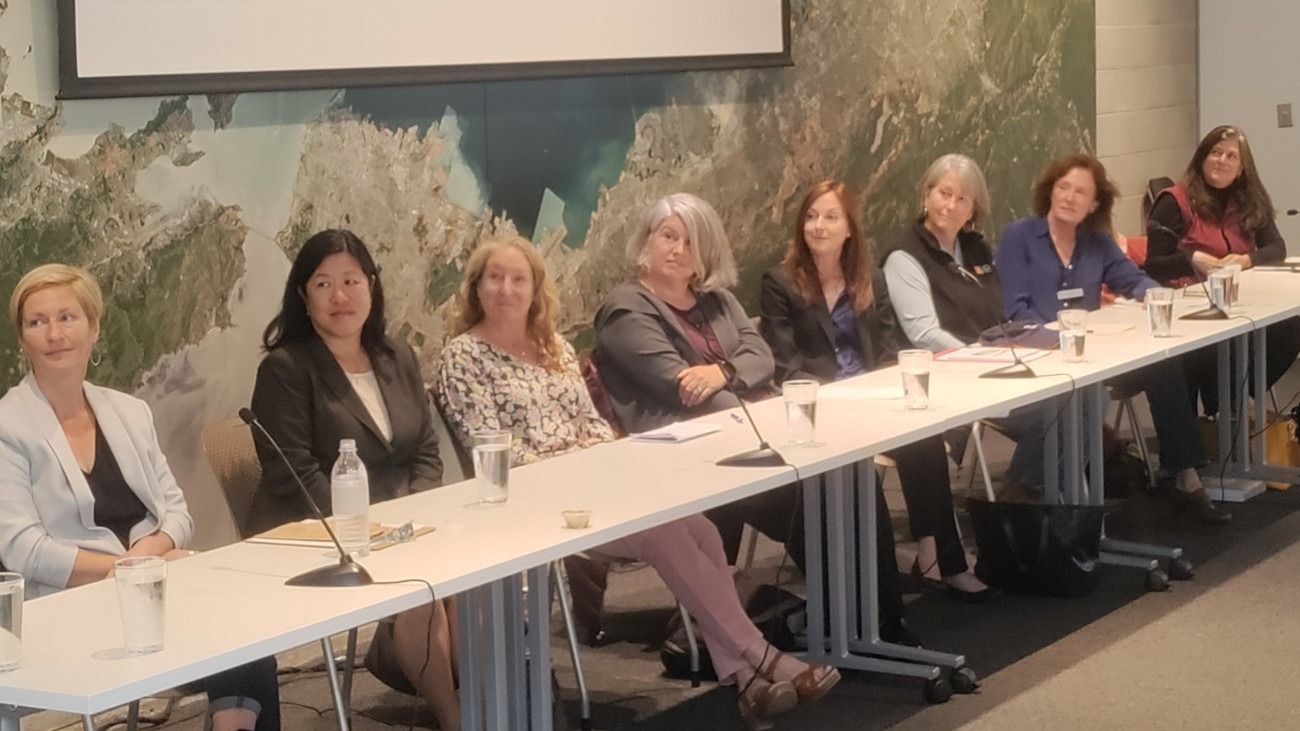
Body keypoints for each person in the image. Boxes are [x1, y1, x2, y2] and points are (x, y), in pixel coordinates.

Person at [436, 235, 839, 731]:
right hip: (533, 499)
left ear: (536, 289)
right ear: (476, 288)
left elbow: (592, 425)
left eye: (519, 278)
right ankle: (763, 657)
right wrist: (574, 472)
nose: (506, 289)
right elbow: (487, 447)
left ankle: (748, 681)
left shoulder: (554, 347)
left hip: (596, 484)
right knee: (664, 530)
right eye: (493, 277)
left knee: (702, 531)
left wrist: (605, 466)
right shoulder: (463, 356)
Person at [593, 193, 920, 645]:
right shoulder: (626, 309)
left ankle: (882, 621)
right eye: (668, 236)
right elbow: (683, 390)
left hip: (744, 442)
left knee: (854, 477)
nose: (678, 250)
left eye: (692, 242)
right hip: (687, 457)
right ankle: (850, 625)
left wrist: (723, 372)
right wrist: (748, 400)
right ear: (646, 241)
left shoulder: (716, 299)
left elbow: (760, 356)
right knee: (813, 495)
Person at [0, 264, 280, 731]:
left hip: (150, 593)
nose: (54, 333)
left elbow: (177, 513)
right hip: (67, 607)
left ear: (94, 329)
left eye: (67, 317)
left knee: (246, 636)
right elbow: (22, 548)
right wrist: (128, 572)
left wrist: (149, 555)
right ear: (23, 340)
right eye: (37, 322)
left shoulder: (129, 412)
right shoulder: (9, 426)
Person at [248, 230, 458, 729]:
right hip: (318, 537)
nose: (340, 296)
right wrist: (376, 533)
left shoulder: (397, 357)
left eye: (351, 280)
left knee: (476, 577)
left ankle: (480, 691)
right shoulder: (285, 369)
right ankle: (458, 717)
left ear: (372, 286)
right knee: (425, 585)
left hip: (401, 528)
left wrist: (416, 516)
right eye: (323, 284)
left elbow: (426, 453)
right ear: (304, 296)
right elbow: (296, 476)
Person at [763, 179, 995, 601]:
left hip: (871, 400)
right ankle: (877, 592)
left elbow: (890, 350)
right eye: (811, 217)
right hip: (819, 409)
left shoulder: (871, 279)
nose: (819, 226)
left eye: (831, 217)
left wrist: (887, 392)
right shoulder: (780, 283)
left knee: (924, 439)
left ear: (849, 228)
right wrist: (840, 399)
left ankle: (940, 558)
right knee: (864, 466)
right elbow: (786, 366)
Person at [995, 154, 1230, 524]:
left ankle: (1182, 474)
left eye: (1081, 192)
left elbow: (1133, 279)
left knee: (1164, 362)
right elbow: (1016, 312)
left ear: (1095, 203)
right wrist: (1059, 338)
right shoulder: (1019, 237)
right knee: (1087, 398)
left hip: (1094, 358)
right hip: (1037, 359)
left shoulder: (1097, 243)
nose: (1070, 197)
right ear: (1049, 191)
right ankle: (1028, 492)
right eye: (1064, 188)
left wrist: (1152, 294)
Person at [1145, 125, 1300, 414]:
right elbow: (1153, 266)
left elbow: (1276, 247)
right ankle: (1219, 413)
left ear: (1242, 168)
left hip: (1237, 303)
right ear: (1202, 158)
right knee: (1211, 348)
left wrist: (1246, 260)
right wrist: (1193, 259)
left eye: (1231, 156)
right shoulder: (1174, 201)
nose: (1222, 161)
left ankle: (1230, 400)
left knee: (1289, 328)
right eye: (1215, 153)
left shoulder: (1248, 200)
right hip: (1188, 308)